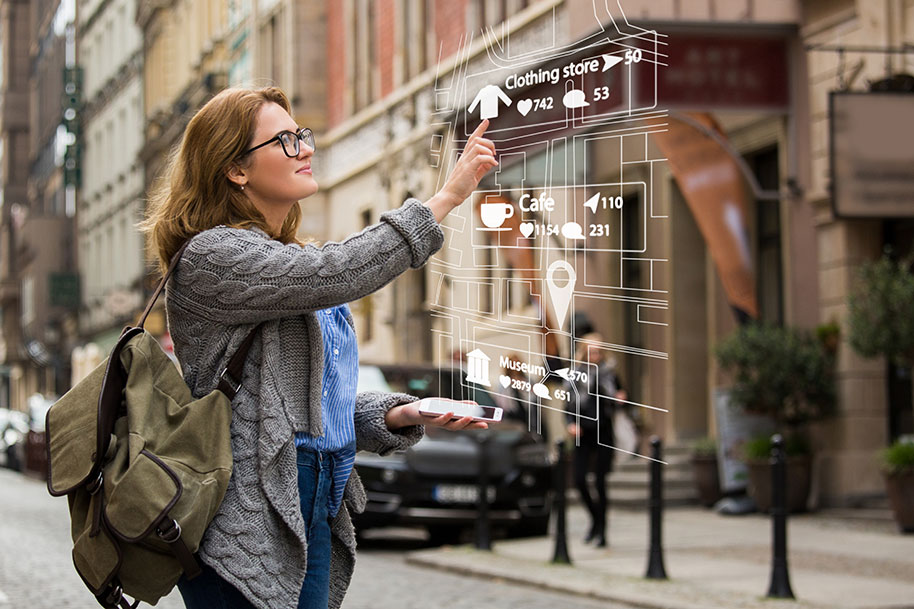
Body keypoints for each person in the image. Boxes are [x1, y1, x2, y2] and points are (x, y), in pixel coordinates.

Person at [141, 86, 499, 609]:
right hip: (247, 515)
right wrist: (445, 198)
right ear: (235, 169)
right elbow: (336, 272)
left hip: (312, 505)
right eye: (284, 140)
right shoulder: (213, 257)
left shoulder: (279, 259)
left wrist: (403, 413)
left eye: (301, 134)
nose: (306, 148)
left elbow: (294, 410)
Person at [564, 332, 627, 548]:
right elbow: (568, 404)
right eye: (591, 351)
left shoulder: (609, 373)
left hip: (604, 431)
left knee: (600, 482)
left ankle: (602, 531)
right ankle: (595, 520)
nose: (595, 355)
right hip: (583, 431)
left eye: (598, 351)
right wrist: (570, 423)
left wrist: (620, 398)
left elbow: (622, 398)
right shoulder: (575, 375)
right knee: (580, 480)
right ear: (584, 352)